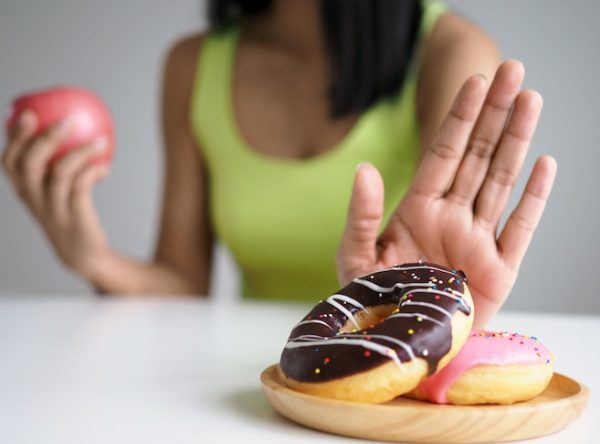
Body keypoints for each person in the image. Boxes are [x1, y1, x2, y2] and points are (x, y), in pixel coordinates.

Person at [1, 0, 556, 328]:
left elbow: (451, 281)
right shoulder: (193, 64)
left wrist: (410, 300)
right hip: (242, 392)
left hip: (391, 378)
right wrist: (90, 256)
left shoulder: (450, 53)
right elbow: (182, 284)